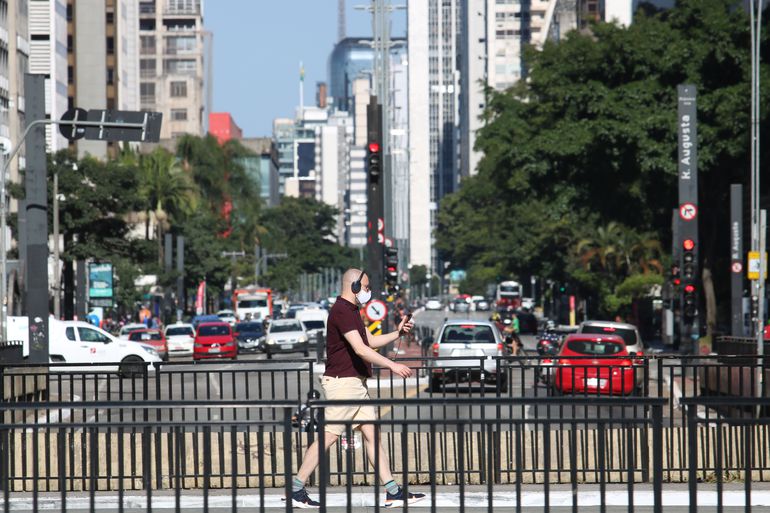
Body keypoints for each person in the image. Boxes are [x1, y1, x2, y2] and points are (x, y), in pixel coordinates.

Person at [291, 268, 426, 509]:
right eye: (365, 288)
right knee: (328, 437)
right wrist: (392, 365)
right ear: (353, 287)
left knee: (372, 436)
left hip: (356, 384)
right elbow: (361, 350)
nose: (368, 292)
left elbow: (369, 342)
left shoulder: (352, 310)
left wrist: (397, 333)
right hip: (343, 384)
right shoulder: (342, 311)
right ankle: (296, 490)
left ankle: (393, 492)